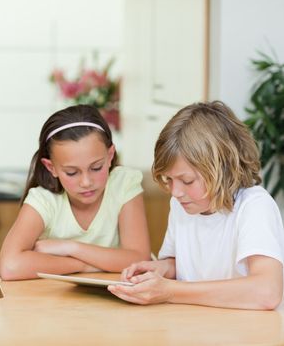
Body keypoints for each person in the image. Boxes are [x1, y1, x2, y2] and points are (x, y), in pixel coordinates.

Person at [108, 101, 284, 310]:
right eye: (169, 180)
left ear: (222, 168)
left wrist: (169, 291)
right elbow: (181, 264)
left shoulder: (254, 206)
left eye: (187, 181)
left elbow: (267, 292)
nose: (176, 192)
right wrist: (160, 270)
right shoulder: (182, 204)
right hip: (195, 325)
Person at [0, 105, 151, 280]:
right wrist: (84, 266)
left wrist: (70, 248)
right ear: (51, 167)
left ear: (110, 156)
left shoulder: (124, 183)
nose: (86, 182)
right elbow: (10, 267)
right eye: (72, 172)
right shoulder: (44, 200)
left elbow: (139, 258)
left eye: (96, 168)